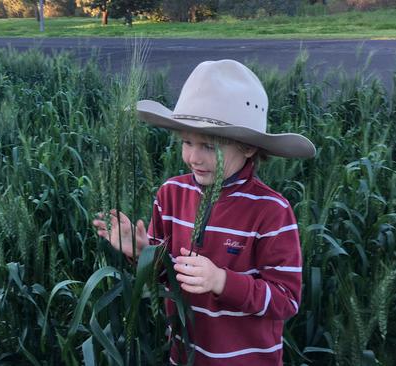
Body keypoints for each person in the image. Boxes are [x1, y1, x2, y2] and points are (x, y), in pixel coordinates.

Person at [92, 60, 315, 365]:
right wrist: (143, 255)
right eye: (186, 142)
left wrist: (222, 281)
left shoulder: (272, 211)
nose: (193, 157)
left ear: (248, 147)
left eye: (208, 147)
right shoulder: (171, 194)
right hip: (183, 356)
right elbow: (166, 278)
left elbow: (286, 301)